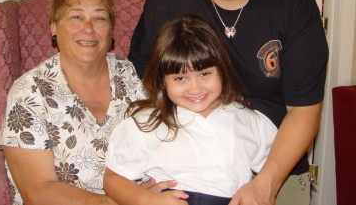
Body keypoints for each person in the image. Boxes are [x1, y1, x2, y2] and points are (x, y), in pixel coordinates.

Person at [128, 0, 329, 205]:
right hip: (186, 164)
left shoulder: (293, 2)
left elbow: (303, 109)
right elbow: (145, 74)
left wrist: (266, 184)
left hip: (274, 161)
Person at [0, 0, 173, 205]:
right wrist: (123, 201)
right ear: (54, 27)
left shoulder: (130, 75)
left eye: (100, 18)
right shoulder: (29, 92)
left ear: (111, 31)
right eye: (76, 17)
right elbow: (38, 192)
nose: (88, 28)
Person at [104, 14, 277, 205]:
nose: (195, 89)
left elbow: (273, 170)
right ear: (162, 80)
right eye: (180, 78)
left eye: (204, 74)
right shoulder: (146, 124)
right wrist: (147, 200)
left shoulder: (250, 120)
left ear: (222, 69)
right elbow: (113, 180)